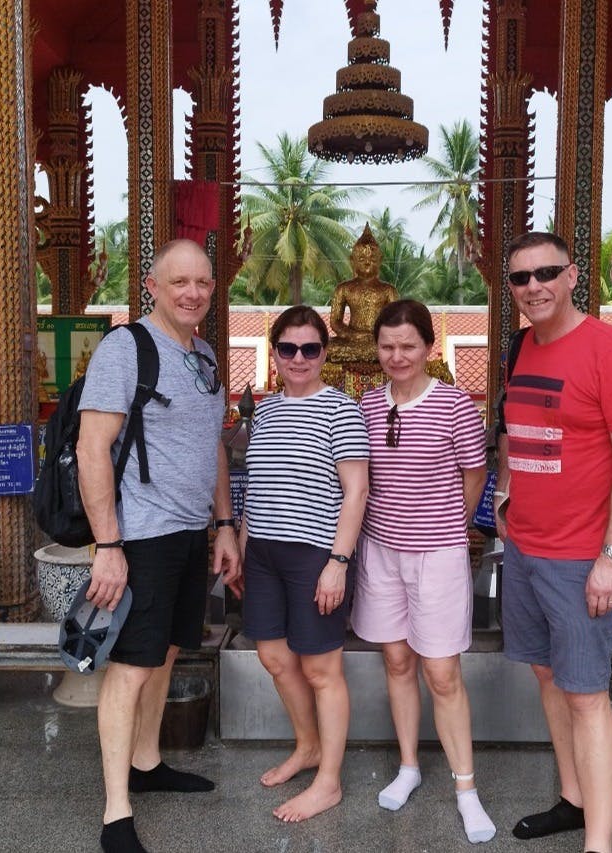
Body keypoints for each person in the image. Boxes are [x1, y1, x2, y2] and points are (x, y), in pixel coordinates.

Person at [76, 239, 241, 853]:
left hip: (189, 533)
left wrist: (224, 524)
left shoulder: (205, 354)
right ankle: (115, 812)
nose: (193, 293)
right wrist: (108, 544)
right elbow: (92, 449)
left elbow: (212, 445)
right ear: (152, 285)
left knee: (167, 651)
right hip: (140, 535)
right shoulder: (126, 350)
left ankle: (146, 763)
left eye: (202, 282)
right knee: (131, 665)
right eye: (180, 282)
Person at [494, 232, 612, 853]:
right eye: (520, 278)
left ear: (572, 275)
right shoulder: (522, 348)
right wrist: (506, 494)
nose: (533, 286)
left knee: (587, 695)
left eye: (546, 273)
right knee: (548, 676)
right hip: (525, 549)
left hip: (580, 556)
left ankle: (600, 842)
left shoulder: (610, 352)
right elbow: (520, 430)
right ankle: (573, 798)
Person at [351, 299, 495, 844]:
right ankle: (409, 765)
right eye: (387, 346)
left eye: (408, 345)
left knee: (441, 672)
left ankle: (466, 788)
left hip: (436, 555)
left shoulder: (455, 405)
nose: (397, 356)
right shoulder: (366, 404)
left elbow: (474, 474)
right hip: (380, 551)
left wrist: (451, 526)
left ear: (429, 347)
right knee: (396, 660)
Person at [240, 305, 369, 822]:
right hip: (263, 553)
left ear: (324, 353)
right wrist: (243, 546)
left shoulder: (341, 409)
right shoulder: (267, 410)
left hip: (315, 553)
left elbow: (356, 491)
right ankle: (307, 746)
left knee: (320, 668)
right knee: (274, 657)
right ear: (274, 353)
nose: (298, 358)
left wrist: (339, 562)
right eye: (288, 348)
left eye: (310, 348)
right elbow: (257, 486)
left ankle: (329, 781)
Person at [327, 225, 399, 363]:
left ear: (380, 261)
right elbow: (335, 322)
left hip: (378, 341)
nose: (367, 263)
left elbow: (396, 321)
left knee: (392, 348)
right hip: (351, 340)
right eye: (361, 259)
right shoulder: (344, 289)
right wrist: (353, 335)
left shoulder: (388, 290)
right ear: (352, 260)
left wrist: (379, 335)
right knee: (328, 347)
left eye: (372, 260)